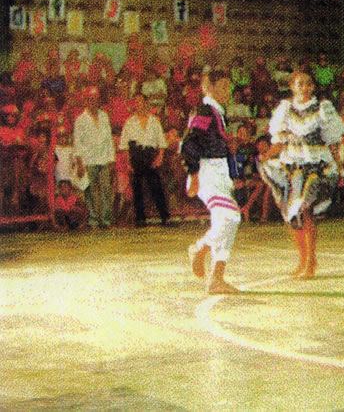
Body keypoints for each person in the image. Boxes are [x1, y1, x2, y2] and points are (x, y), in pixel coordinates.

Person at [259, 71, 344, 279]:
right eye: (300, 84)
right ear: (292, 86)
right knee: (291, 215)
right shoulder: (285, 109)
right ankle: (303, 258)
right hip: (292, 165)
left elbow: (333, 141)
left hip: (315, 165)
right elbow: (279, 142)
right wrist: (266, 157)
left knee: (306, 210)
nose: (304, 87)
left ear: (313, 87)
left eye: (308, 84)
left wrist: (340, 166)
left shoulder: (322, 108)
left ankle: (311, 262)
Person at [182, 69, 241, 294]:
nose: (228, 91)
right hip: (208, 172)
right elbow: (190, 142)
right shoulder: (205, 110)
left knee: (225, 223)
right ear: (209, 87)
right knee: (231, 216)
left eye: (229, 87)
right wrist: (193, 174)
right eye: (223, 86)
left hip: (219, 172)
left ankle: (217, 278)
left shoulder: (217, 112)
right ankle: (199, 248)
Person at [119, 93, 170, 227]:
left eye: (141, 101)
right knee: (137, 188)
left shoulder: (154, 121)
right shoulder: (129, 122)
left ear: (146, 103)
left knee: (156, 185)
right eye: (136, 102)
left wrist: (159, 157)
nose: (139, 104)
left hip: (149, 154)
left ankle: (164, 215)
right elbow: (124, 145)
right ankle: (140, 218)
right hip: (136, 154)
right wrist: (128, 162)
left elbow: (162, 142)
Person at [73, 86, 115, 228]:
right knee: (89, 191)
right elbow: (77, 143)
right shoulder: (80, 120)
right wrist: (80, 164)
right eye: (90, 99)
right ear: (86, 100)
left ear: (98, 100)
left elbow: (109, 139)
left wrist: (111, 159)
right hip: (88, 160)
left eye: (95, 99)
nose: (93, 102)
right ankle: (93, 220)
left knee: (105, 190)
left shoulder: (104, 116)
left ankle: (106, 220)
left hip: (103, 159)